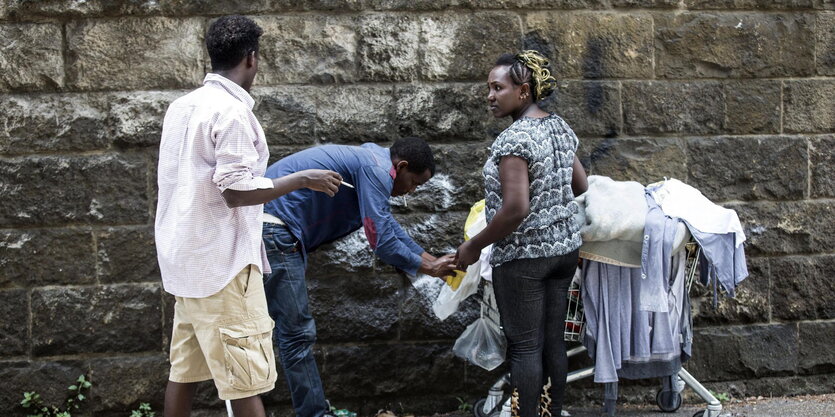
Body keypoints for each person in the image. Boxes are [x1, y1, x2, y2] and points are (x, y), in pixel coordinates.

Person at [155, 15, 342, 417]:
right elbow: (235, 190)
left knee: (183, 374)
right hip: (223, 267)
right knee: (245, 379)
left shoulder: (181, 107)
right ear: (252, 58)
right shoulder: (232, 112)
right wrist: (301, 179)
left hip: (185, 266)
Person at [261, 137, 456, 417]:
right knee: (296, 335)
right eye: (414, 182)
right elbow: (381, 240)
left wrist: (431, 261)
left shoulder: (371, 161)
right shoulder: (376, 169)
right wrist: (429, 267)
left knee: (280, 331)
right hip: (275, 231)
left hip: (272, 230)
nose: (411, 191)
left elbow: (387, 225)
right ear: (401, 167)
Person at [452, 51, 589, 417]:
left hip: (523, 257)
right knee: (552, 344)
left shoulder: (514, 140)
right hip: (563, 252)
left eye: (498, 88)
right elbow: (580, 185)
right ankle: (553, 411)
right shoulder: (560, 128)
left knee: (526, 348)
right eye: (489, 88)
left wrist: (472, 245)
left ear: (524, 91)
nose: (490, 96)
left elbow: (515, 209)